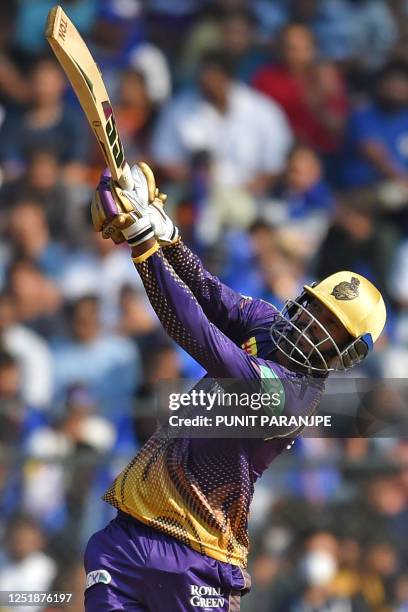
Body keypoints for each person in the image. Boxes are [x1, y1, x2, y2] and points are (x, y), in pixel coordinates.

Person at [84, 163, 386, 610]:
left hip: (199, 559)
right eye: (315, 309)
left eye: (330, 328)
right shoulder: (268, 323)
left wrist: (144, 245)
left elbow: (195, 333)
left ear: (347, 353)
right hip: (126, 537)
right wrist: (167, 233)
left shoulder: (293, 397)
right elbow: (208, 293)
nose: (310, 326)